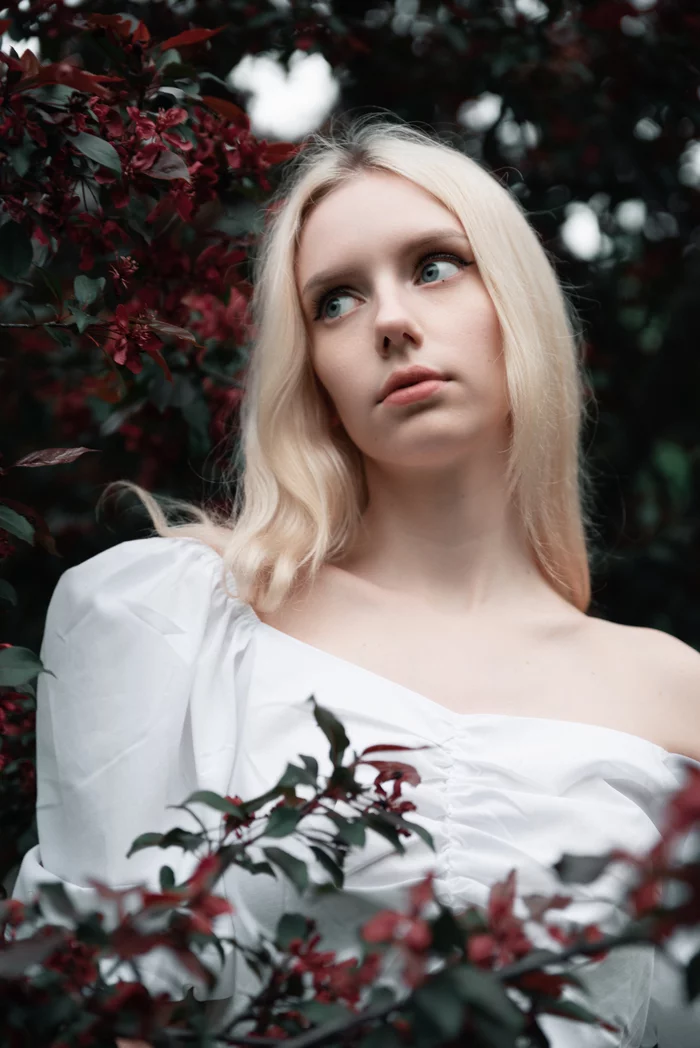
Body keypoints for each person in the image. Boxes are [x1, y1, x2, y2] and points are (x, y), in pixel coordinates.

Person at [9, 115, 700, 1047]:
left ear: (518, 300)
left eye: (434, 265)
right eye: (334, 300)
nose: (391, 321)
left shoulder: (671, 691)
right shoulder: (182, 617)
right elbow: (92, 1006)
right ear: (314, 373)